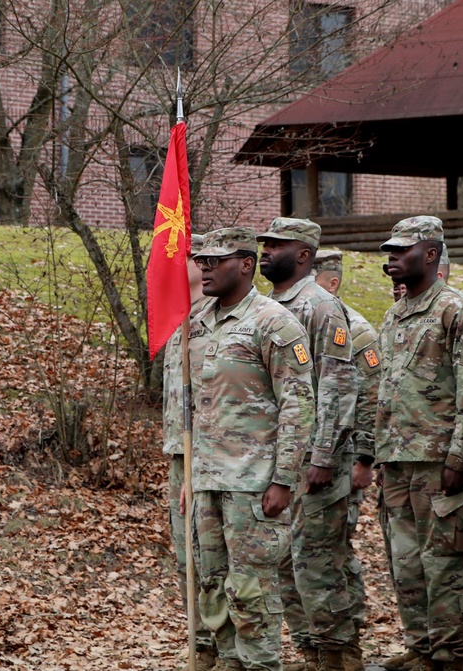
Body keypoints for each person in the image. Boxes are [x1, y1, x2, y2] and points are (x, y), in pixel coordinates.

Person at [189, 227, 316, 671]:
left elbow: (299, 406)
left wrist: (284, 478)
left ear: (246, 264)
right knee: (214, 584)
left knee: (252, 592)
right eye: (201, 260)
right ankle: (228, 663)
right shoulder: (198, 320)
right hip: (208, 480)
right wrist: (192, 477)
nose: (204, 268)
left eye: (215, 260)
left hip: (255, 481)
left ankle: (261, 665)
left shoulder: (273, 322)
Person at [374, 218, 463, 671]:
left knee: (445, 566)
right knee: (406, 563)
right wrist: (382, 454)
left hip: (440, 462)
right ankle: (421, 647)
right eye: (390, 250)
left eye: (403, 250)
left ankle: (450, 655)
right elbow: (387, 389)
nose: (392, 257)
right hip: (399, 460)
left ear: (432, 254)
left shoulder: (457, 310)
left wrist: (460, 455)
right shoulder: (395, 313)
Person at [257, 218, 359, 671]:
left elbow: (337, 386)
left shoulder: (320, 306)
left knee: (317, 561)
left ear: (303, 255)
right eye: (264, 244)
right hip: (280, 457)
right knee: (286, 562)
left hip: (316, 462)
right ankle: (311, 650)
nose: (265, 251)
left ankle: (339, 653)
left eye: (275, 245)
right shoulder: (265, 305)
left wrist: (322, 457)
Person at [310, 250, 382, 671]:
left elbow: (371, 399)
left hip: (343, 456)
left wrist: (364, 458)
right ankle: (317, 647)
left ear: (331, 282)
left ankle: (345, 644)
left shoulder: (357, 330)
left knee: (334, 552)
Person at [163, 234, 216, 670]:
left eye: (182, 257)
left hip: (210, 456)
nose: (173, 264)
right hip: (179, 454)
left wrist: (197, 461)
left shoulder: (213, 323)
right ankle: (200, 640)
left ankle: (220, 640)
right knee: (186, 553)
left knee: (211, 554)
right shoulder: (178, 320)